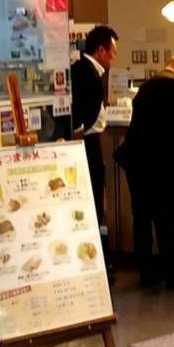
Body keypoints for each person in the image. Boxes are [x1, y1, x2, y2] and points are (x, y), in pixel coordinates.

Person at [115, 55, 174, 291]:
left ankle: (147, 272)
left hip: (136, 160)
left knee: (142, 217)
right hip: (163, 164)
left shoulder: (145, 87)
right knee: (167, 219)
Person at [71, 24, 118, 229]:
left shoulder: (89, 70)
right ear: (101, 50)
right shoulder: (85, 71)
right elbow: (79, 106)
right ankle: (94, 235)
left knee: (96, 186)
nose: (113, 58)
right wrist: (78, 130)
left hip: (89, 137)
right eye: (112, 52)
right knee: (92, 188)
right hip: (85, 140)